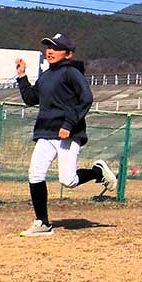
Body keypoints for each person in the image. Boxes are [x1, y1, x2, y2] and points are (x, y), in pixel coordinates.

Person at [15, 33, 117, 237]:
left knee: (68, 181)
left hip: (66, 134)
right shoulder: (46, 75)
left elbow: (86, 99)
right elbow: (30, 99)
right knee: (35, 174)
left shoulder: (71, 72)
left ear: (68, 54)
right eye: (48, 47)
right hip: (45, 132)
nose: (50, 51)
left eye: (56, 48)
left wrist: (69, 124)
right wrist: (22, 76)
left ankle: (98, 172)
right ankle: (42, 223)